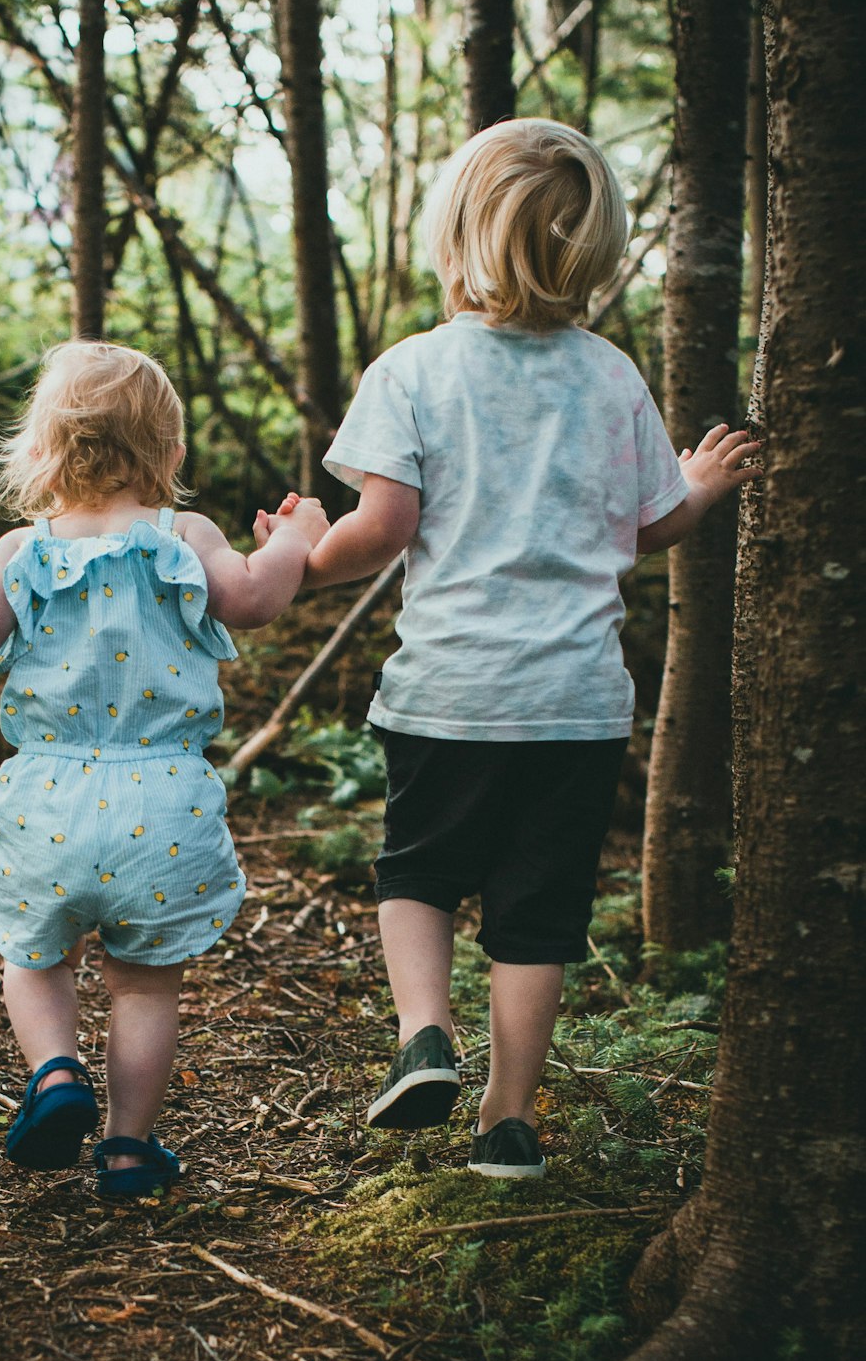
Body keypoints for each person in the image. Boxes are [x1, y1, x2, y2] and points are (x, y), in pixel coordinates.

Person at [302, 117, 760, 1178]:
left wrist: (297, 565)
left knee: (417, 875)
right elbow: (644, 528)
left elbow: (382, 528)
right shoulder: (610, 379)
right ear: (590, 254)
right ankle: (507, 1122)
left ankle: (427, 1035)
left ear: (456, 237)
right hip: (576, 703)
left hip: (448, 694)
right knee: (536, 919)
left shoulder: (412, 371)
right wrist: (698, 484)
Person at [0, 341, 327, 1197]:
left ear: (38, 454)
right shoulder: (188, 536)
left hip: (48, 800)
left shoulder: (20, 553)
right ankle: (130, 1148)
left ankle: (55, 1076)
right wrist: (293, 539)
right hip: (164, 804)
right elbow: (253, 598)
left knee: (33, 958)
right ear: (171, 457)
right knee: (142, 988)